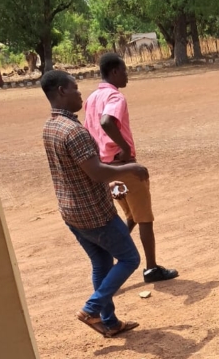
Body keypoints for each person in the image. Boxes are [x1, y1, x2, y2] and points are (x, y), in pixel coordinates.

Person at [41, 70, 148, 337]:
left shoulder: (50, 127)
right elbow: (97, 172)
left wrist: (107, 183)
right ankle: (91, 309)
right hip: (94, 213)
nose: (80, 94)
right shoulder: (74, 132)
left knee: (101, 263)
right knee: (130, 258)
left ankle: (109, 322)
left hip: (71, 211)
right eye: (75, 88)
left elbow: (77, 171)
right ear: (61, 91)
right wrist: (131, 168)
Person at [84, 53, 178, 283]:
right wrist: (125, 149)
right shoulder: (115, 97)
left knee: (131, 215)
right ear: (114, 71)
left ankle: (114, 261)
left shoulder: (91, 98)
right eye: (124, 70)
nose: (127, 75)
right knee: (144, 217)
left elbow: (90, 130)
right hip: (123, 167)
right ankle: (151, 268)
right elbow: (107, 121)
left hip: (107, 170)